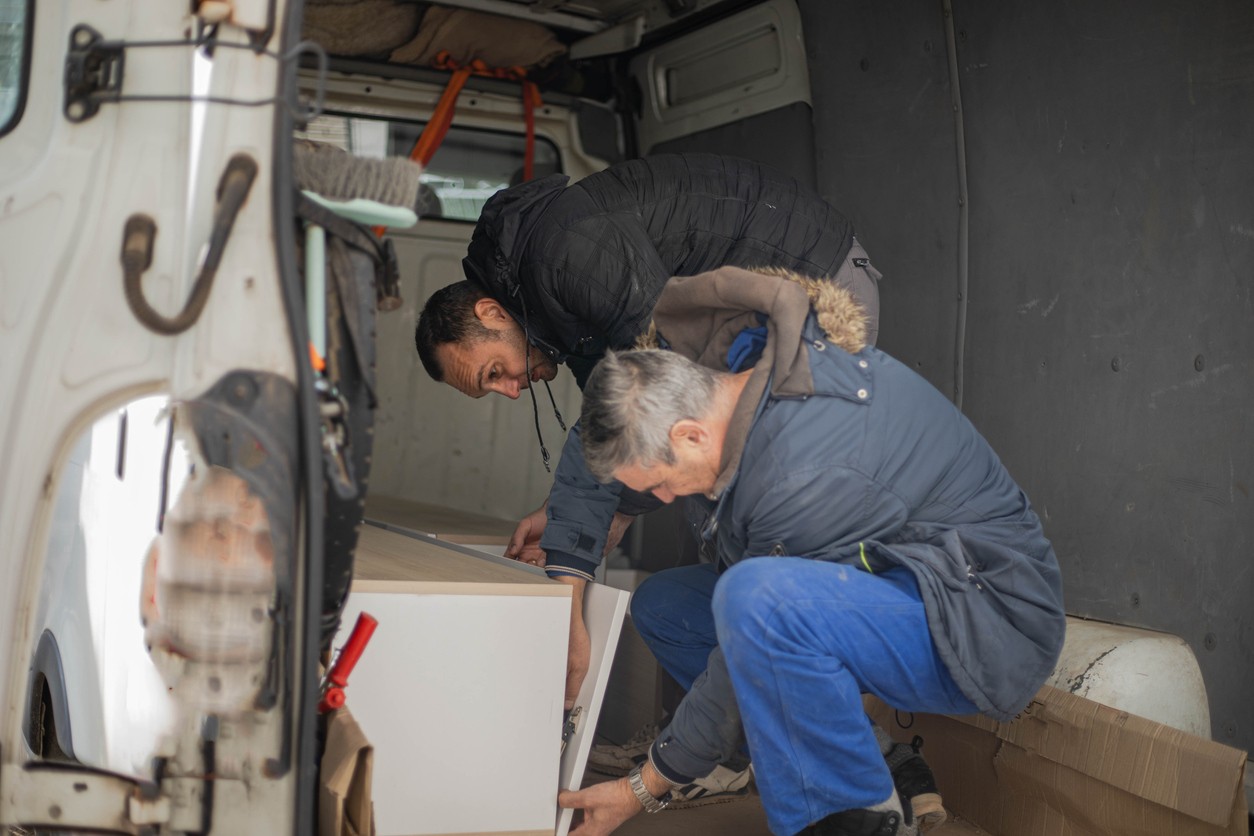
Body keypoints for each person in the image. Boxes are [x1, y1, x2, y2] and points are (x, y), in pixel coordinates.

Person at [413, 153, 901, 808]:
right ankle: (754, 745)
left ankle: (857, 774)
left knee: (751, 522)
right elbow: (619, 432)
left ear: (492, 312)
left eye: (494, 371)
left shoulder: (566, 253)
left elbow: (655, 387)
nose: (507, 390)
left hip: (815, 289)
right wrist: (586, 526)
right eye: (491, 390)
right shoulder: (554, 296)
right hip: (762, 312)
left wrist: (568, 585)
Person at [558, 266, 1066, 836]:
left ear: (689, 434)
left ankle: (852, 819)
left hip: (985, 619)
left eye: (657, 482)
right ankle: (869, 762)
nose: (663, 497)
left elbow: (748, 634)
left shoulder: (798, 466)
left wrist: (644, 787)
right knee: (667, 605)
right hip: (910, 583)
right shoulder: (747, 397)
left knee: (756, 600)